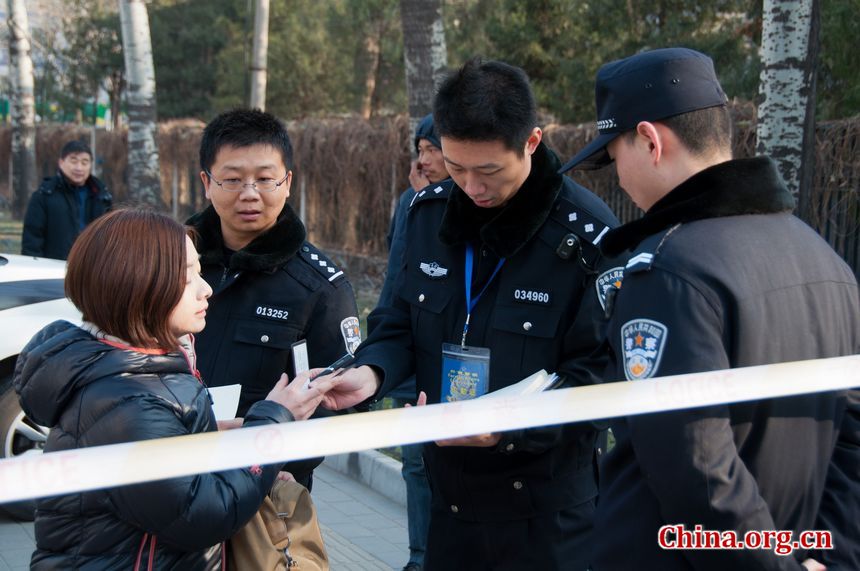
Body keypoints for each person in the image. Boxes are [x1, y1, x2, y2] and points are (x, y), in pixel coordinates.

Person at [559, 47, 860, 571]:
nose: (618, 178)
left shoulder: (668, 271)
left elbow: (696, 465)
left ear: (651, 141)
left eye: (614, 157)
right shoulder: (827, 260)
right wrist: (828, 554)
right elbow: (851, 437)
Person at [319, 59, 619, 571]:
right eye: (456, 168)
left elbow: (599, 378)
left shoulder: (587, 236)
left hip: (548, 517)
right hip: (449, 503)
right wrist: (371, 373)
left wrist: (506, 428)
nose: (472, 187)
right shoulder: (427, 215)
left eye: (488, 171)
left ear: (532, 142)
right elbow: (396, 321)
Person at [13, 208, 337, 569]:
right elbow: (200, 515)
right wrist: (273, 422)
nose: (207, 289)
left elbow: (166, 468)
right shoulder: (128, 399)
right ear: (137, 284)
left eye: (201, 271)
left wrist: (224, 437)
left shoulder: (132, 369)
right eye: (187, 278)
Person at [188, 108, 360, 489]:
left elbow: (336, 403)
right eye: (232, 179)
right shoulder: (176, 261)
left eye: (265, 179)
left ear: (287, 182)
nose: (250, 194)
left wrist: (279, 462)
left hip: (264, 490)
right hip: (170, 474)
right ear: (206, 181)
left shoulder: (320, 287)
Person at [379, 113, 450, 571]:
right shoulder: (413, 201)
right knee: (416, 464)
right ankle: (419, 557)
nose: (424, 160)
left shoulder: (473, 202)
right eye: (420, 150)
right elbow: (397, 268)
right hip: (412, 348)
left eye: (432, 149)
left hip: (452, 359)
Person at [21, 140, 112, 260]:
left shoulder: (101, 196)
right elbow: (32, 240)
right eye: (73, 161)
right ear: (61, 163)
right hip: (53, 269)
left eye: (85, 162)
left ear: (91, 165)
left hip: (92, 268)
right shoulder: (44, 195)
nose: (79, 168)